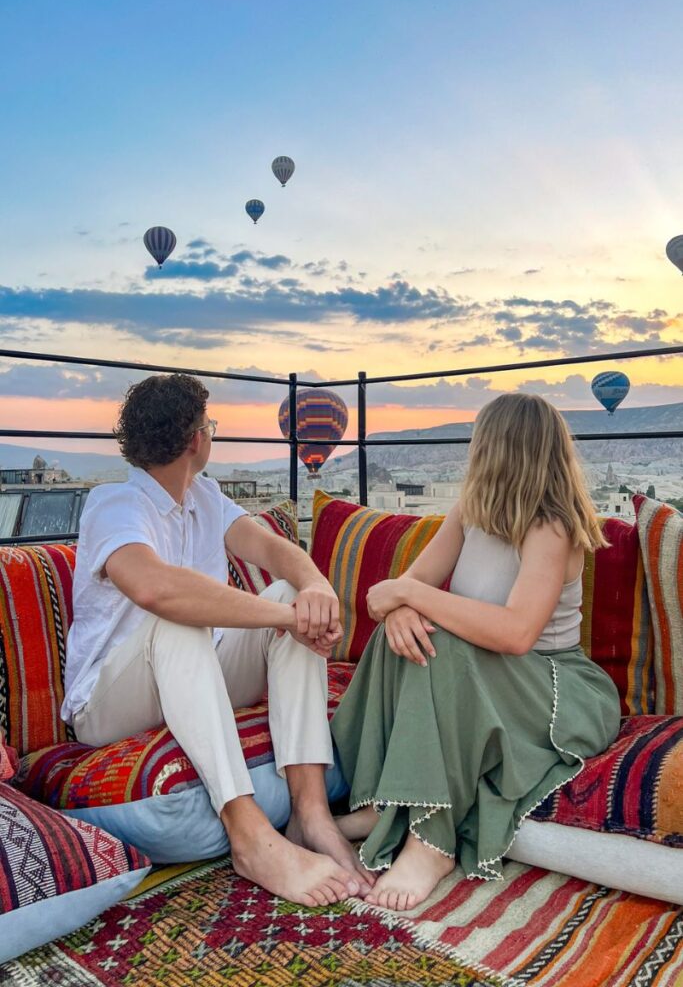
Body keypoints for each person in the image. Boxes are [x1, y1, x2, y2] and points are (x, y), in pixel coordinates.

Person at [61, 373, 374, 907]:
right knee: (180, 619)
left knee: (284, 595)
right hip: (109, 704)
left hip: (193, 678)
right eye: (210, 426)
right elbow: (156, 589)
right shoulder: (115, 503)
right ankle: (248, 833)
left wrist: (315, 588)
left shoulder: (205, 496)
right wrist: (282, 619)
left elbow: (276, 552)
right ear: (195, 440)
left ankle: (312, 814)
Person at [331, 393, 621, 911]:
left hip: (553, 686)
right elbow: (386, 596)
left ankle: (431, 845)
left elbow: (516, 635)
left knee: (440, 645)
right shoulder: (470, 510)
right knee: (405, 637)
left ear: (498, 448)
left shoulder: (550, 526)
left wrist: (414, 598)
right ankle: (387, 801)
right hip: (481, 674)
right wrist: (401, 609)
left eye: (478, 441)